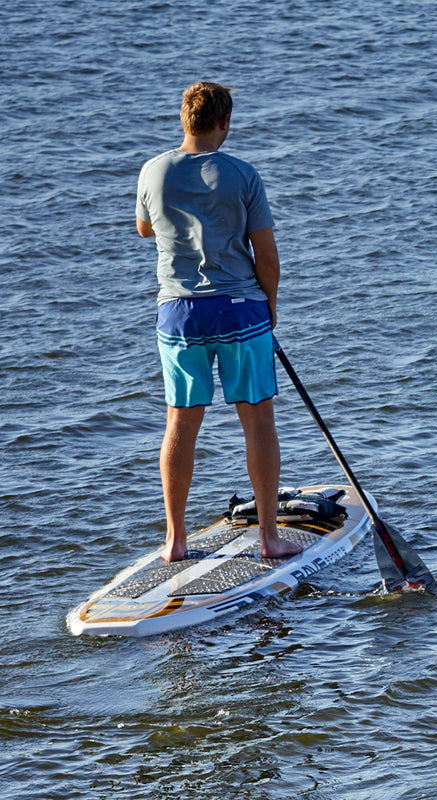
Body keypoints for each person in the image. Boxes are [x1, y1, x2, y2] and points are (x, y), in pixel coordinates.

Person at [135, 81, 303, 563]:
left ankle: (175, 540)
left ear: (184, 120)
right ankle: (269, 538)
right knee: (257, 419)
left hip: (178, 312)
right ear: (224, 123)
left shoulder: (153, 170)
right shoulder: (243, 175)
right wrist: (269, 306)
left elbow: (145, 228)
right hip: (240, 308)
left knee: (180, 424)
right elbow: (266, 255)